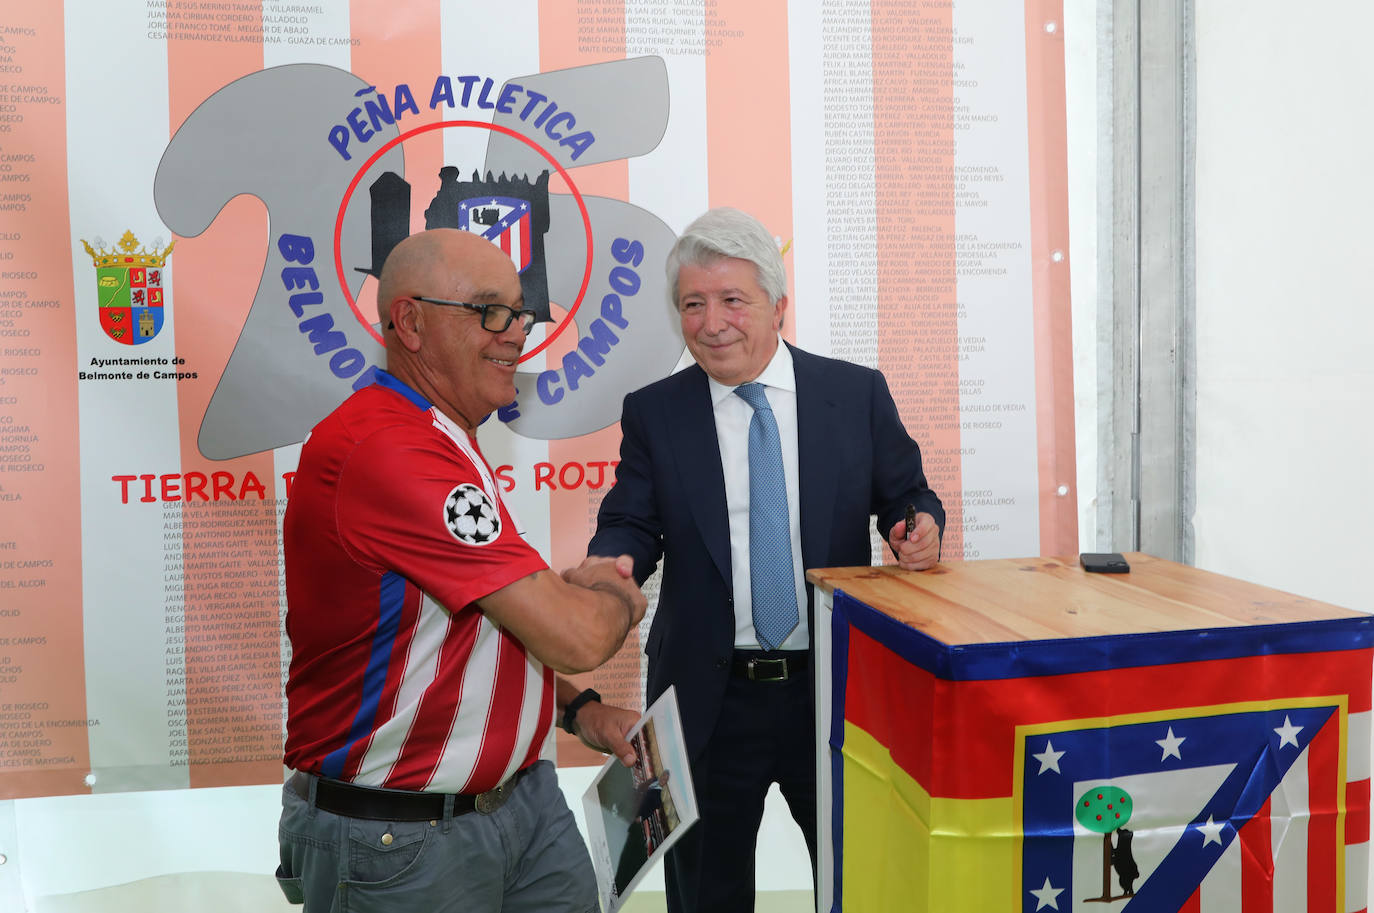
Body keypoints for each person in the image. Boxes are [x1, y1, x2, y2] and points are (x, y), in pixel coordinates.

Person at [578, 207, 945, 912]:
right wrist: (610, 562)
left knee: (861, 886)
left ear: (778, 305)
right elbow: (630, 520)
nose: (712, 322)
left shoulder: (854, 393)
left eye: (732, 301)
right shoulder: (656, 412)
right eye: (693, 303)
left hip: (834, 696)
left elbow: (908, 495)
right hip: (707, 703)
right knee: (706, 897)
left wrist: (917, 527)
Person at [275, 228, 646, 913]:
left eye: (520, 313)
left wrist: (580, 710)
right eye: (488, 311)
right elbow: (575, 636)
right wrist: (614, 592)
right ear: (411, 322)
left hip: (522, 804)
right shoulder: (388, 449)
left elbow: (470, 630)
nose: (514, 335)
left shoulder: (442, 434)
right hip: (404, 838)